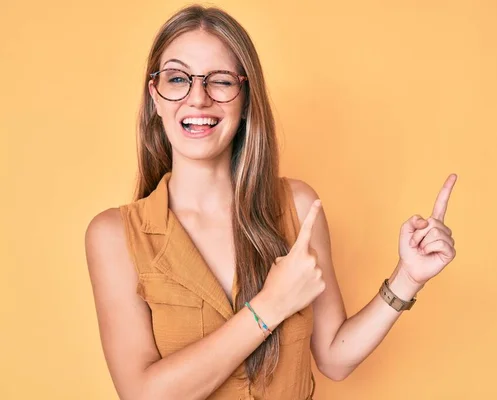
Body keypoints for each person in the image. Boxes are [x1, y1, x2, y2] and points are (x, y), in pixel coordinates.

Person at [84, 4, 458, 400]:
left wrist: (408, 277)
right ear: (155, 97)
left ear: (245, 100)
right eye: (178, 78)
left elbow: (333, 357)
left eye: (221, 81)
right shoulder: (114, 236)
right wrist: (269, 307)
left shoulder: (297, 205)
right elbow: (144, 395)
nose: (198, 98)